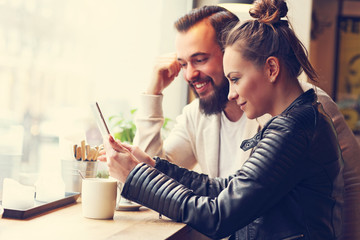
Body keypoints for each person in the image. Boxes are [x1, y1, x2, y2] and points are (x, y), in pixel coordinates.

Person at [101, 0, 344, 238]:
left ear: (271, 69)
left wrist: (136, 176)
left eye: (236, 78)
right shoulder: (297, 119)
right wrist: (155, 166)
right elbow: (227, 189)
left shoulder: (293, 129)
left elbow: (218, 216)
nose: (231, 93)